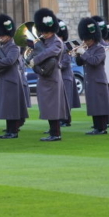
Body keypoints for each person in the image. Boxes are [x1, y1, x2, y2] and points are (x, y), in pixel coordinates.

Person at [26, 8, 69, 141]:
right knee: (47, 106)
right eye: (43, 31)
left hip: (53, 76)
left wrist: (35, 60)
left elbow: (49, 53)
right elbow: (37, 51)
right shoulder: (43, 41)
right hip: (44, 76)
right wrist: (29, 57)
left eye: (46, 31)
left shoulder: (56, 41)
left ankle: (56, 134)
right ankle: (52, 130)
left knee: (53, 106)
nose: (44, 34)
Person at [0, 14, 29, 139]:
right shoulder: (2, 46)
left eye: (2, 35)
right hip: (4, 79)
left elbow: (9, 61)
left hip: (12, 79)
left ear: (9, 34)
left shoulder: (14, 46)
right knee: (7, 106)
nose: (0, 37)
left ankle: (13, 131)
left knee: (12, 106)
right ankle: (9, 130)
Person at [74, 18, 109, 134]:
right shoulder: (88, 48)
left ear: (93, 38)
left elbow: (95, 61)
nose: (86, 41)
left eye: (88, 39)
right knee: (93, 105)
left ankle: (102, 128)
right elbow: (79, 63)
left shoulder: (100, 48)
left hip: (98, 80)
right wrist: (77, 54)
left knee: (100, 105)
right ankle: (97, 126)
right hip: (91, 80)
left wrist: (83, 53)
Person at [57, 20, 81, 126]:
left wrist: (56, 67)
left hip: (65, 76)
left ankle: (66, 120)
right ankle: (62, 119)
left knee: (66, 100)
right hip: (60, 76)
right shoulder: (59, 45)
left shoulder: (64, 46)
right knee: (60, 99)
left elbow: (66, 61)